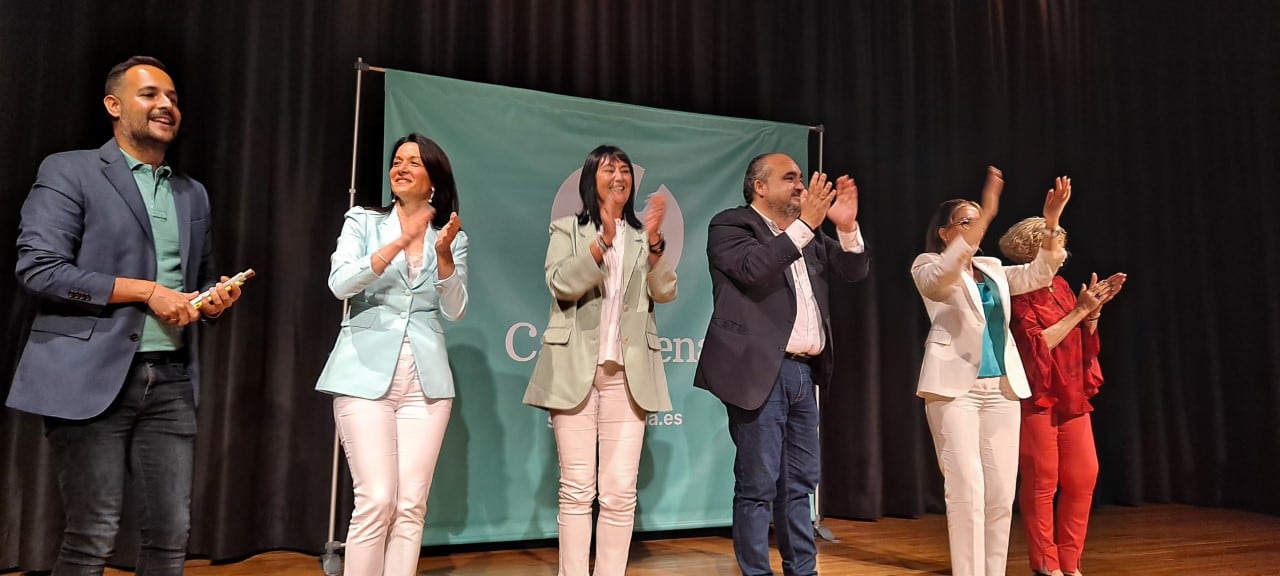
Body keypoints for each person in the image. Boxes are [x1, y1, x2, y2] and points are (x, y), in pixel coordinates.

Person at [7, 55, 243, 576]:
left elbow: (197, 280)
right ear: (114, 106)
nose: (166, 105)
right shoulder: (69, 170)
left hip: (173, 384)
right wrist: (146, 291)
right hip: (90, 378)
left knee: (170, 537)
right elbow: (39, 268)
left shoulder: (190, 192)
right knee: (92, 535)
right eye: (150, 95)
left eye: (173, 98)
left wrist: (211, 300)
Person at [694, 152, 870, 576]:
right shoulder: (732, 225)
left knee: (799, 484)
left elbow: (853, 271)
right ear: (760, 187)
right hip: (759, 373)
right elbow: (753, 269)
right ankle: (756, 572)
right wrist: (807, 225)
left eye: (800, 178)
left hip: (802, 373)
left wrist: (845, 228)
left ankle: (803, 571)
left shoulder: (806, 237)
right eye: (789, 178)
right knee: (757, 483)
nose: (800, 186)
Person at [314, 133, 467, 576]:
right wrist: (396, 245)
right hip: (363, 372)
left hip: (427, 382)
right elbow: (340, 283)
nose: (400, 167)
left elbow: (456, 309)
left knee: (411, 503)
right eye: (396, 160)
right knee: (377, 498)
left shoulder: (451, 238)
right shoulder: (363, 221)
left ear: (433, 180)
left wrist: (443, 259)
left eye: (413, 162)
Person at [523, 144, 677, 576]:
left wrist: (654, 247)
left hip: (626, 378)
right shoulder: (567, 229)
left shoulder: (643, 239)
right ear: (591, 179)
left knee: (619, 492)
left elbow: (664, 292)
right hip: (574, 372)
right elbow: (561, 284)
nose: (619, 177)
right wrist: (600, 245)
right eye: (609, 170)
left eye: (625, 170)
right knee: (576, 490)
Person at [910, 168, 1071, 576]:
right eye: (967, 221)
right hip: (953, 392)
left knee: (1000, 495)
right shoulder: (928, 265)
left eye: (978, 218)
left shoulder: (993, 268)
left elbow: (1041, 272)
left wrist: (1051, 222)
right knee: (967, 491)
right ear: (946, 233)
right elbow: (944, 276)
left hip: (1001, 389)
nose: (977, 226)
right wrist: (989, 210)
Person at [999, 219, 1126, 576]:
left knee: (1084, 476)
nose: (1064, 252)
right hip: (1037, 394)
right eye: (1057, 246)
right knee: (1043, 480)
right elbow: (1038, 346)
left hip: (1070, 390)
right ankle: (1045, 562)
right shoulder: (1018, 292)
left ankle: (1070, 562)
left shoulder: (1061, 284)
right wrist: (1080, 312)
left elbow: (1081, 339)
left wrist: (1094, 311)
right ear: (1034, 249)